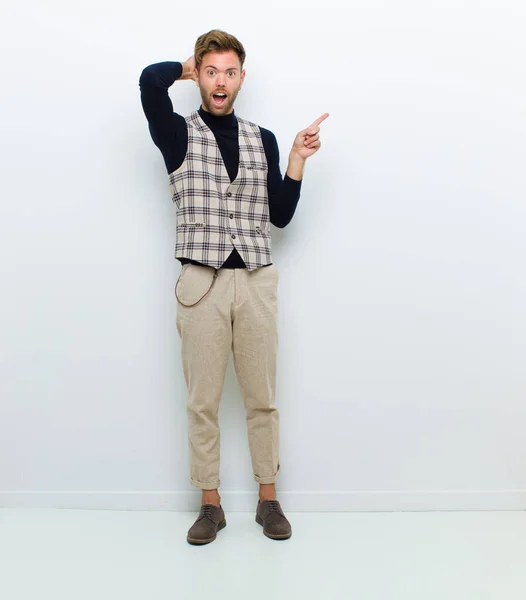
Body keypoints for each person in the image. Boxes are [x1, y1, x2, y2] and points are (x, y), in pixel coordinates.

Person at [139, 29, 328, 545]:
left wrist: (295, 159)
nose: (220, 81)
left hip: (256, 280)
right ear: (200, 75)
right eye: (211, 71)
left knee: (261, 397)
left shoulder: (260, 138)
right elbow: (148, 83)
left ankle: (269, 500)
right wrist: (185, 64)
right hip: (200, 282)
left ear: (242, 78)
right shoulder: (175, 134)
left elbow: (281, 217)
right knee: (203, 400)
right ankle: (210, 504)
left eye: (229, 71)